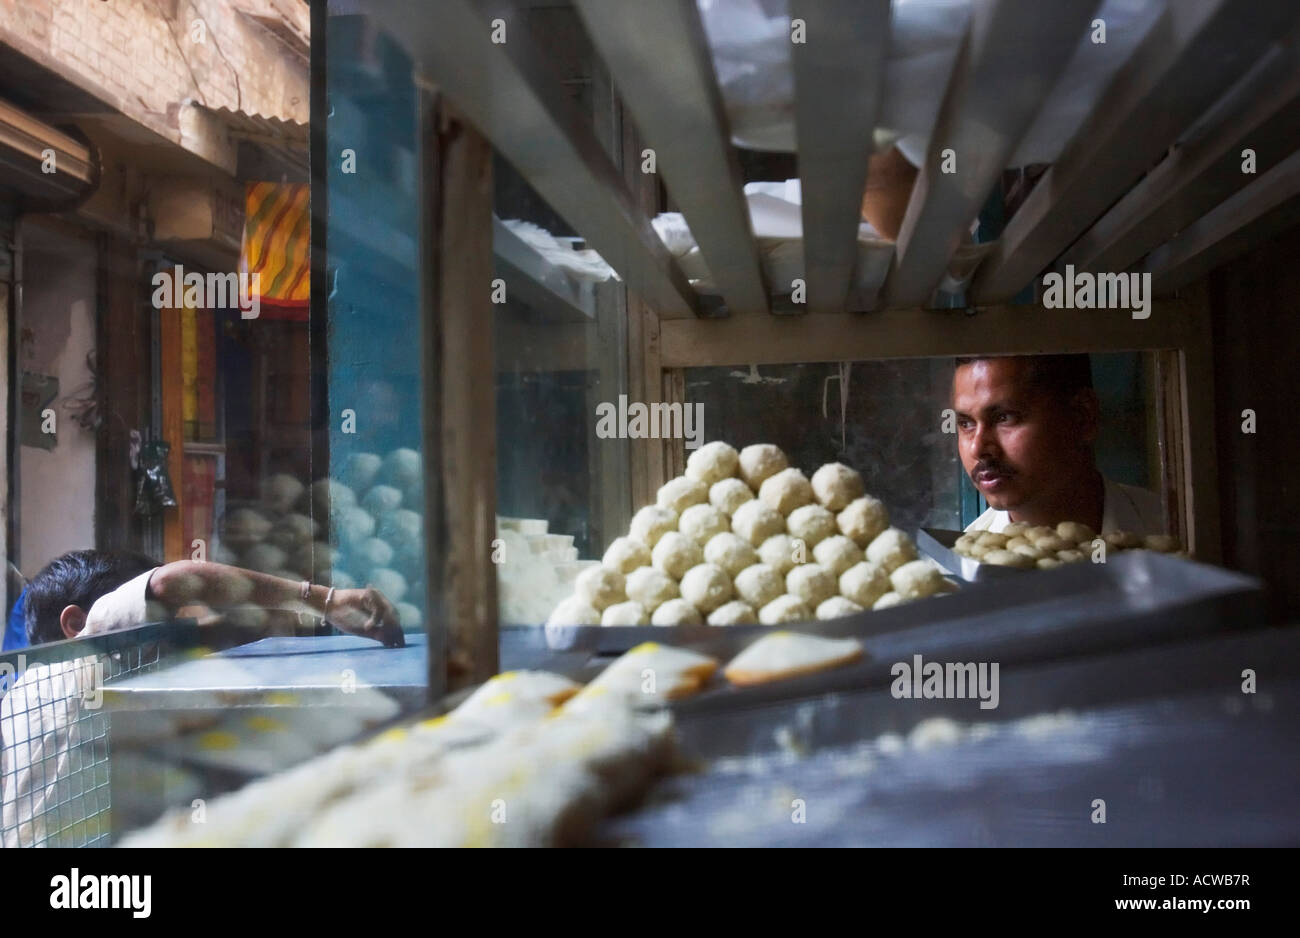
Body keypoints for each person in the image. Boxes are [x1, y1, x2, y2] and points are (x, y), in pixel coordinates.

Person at [1, 549, 403, 847]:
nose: (156, 643)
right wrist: (326, 602)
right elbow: (170, 583)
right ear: (76, 623)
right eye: (150, 627)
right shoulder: (82, 655)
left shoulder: (22, 696)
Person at [952, 354, 1164, 536]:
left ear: (1082, 416)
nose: (977, 449)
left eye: (1004, 418)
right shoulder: (956, 567)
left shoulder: (1174, 532)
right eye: (966, 423)